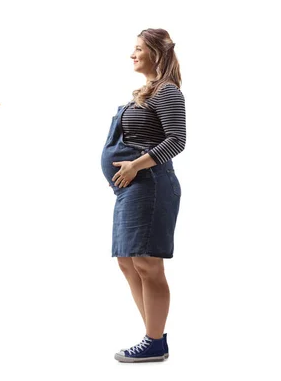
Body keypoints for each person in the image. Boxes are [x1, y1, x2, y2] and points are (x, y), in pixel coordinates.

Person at [100, 28, 186, 363]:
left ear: (156, 52)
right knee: (128, 262)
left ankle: (154, 341)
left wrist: (135, 165)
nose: (132, 54)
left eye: (138, 48)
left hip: (150, 185)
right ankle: (154, 335)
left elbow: (177, 140)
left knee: (148, 264)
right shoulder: (146, 92)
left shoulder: (167, 92)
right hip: (132, 189)